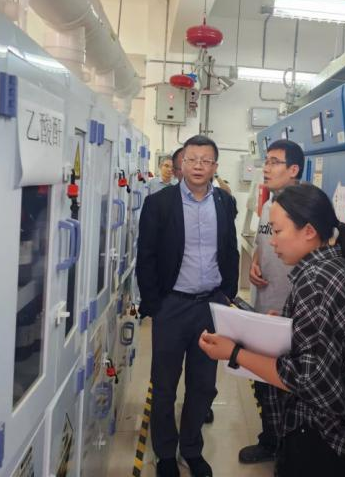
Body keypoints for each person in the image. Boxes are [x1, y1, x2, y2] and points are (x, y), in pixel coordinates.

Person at [199, 183, 345, 477]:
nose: (272, 241)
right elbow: (325, 338)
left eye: (278, 231)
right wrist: (289, 324)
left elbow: (307, 379)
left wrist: (234, 352)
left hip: (327, 436)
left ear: (309, 231)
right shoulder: (332, 266)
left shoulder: (315, 282)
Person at [136, 135, 239, 477]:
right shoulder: (160, 203)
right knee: (164, 384)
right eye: (192, 159)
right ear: (181, 163)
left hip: (209, 305)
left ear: (215, 167)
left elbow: (230, 249)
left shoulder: (224, 202)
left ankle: (191, 449)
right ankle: (166, 453)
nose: (198, 166)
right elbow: (146, 256)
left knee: (203, 384)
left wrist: (226, 295)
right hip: (172, 305)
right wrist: (155, 305)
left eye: (205, 161)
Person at [238, 139, 304, 465]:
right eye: (266, 161)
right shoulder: (268, 205)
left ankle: (289, 450)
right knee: (263, 382)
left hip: (290, 312)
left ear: (294, 169)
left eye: (274, 162)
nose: (266, 168)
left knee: (288, 385)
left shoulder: (305, 209)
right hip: (264, 305)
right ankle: (270, 440)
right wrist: (255, 262)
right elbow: (264, 243)